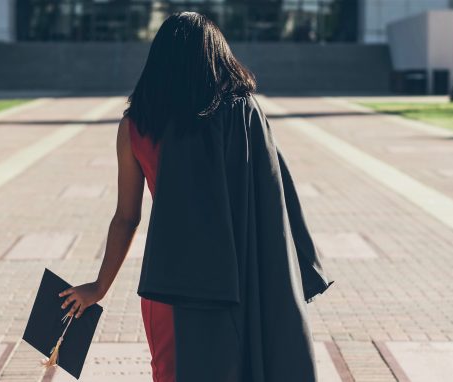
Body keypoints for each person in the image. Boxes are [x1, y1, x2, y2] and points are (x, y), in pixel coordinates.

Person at [58, 12, 334, 382]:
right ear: (217, 57)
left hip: (172, 281)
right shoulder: (243, 114)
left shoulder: (137, 126)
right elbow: (274, 199)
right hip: (241, 275)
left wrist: (99, 286)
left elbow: (127, 217)